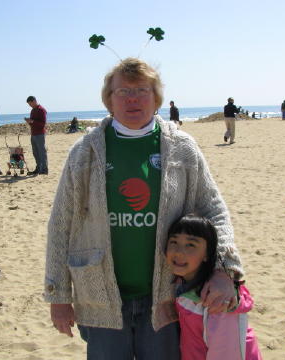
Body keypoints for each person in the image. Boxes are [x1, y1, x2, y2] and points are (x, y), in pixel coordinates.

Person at [45, 57, 244, 360]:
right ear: (109, 101)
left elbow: (214, 209)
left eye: (142, 90)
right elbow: (61, 225)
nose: (133, 98)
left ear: (156, 99)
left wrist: (224, 271)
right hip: (99, 297)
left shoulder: (183, 148)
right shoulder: (84, 152)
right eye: (123, 92)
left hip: (167, 294)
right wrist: (58, 296)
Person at [166, 214, 262, 360]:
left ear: (207, 254)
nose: (179, 251)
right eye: (174, 242)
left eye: (190, 245)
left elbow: (227, 353)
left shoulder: (218, 301)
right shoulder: (181, 284)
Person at [25, 96, 48, 175]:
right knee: (35, 153)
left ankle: (44, 169)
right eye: (29, 104)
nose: (30, 105)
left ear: (34, 101)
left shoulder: (41, 110)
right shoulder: (33, 110)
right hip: (33, 134)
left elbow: (43, 124)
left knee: (42, 152)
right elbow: (33, 124)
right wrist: (29, 122)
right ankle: (38, 168)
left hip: (40, 134)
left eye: (30, 103)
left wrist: (32, 121)